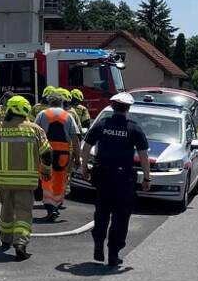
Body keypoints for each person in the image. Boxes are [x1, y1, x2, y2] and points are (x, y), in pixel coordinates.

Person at [80, 92, 151, 267]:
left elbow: (85, 149)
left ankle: (98, 242)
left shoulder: (101, 125)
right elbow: (143, 156)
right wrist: (147, 178)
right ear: (128, 108)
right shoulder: (134, 128)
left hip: (103, 177)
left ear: (112, 106)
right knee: (121, 217)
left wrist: (84, 170)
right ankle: (113, 254)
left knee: (102, 212)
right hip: (124, 180)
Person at [0, 95, 52, 261]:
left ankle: (5, 240)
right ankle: (20, 243)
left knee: (7, 209)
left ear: (9, 108)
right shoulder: (35, 129)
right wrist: (46, 170)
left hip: (4, 180)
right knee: (24, 212)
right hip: (27, 181)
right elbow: (47, 153)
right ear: (26, 109)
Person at [35, 88, 81, 221]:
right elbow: (75, 139)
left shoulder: (42, 114)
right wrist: (77, 158)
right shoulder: (69, 116)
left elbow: (35, 134)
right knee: (61, 179)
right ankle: (56, 205)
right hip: (63, 153)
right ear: (62, 102)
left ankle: (50, 207)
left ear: (49, 102)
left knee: (46, 179)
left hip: (45, 151)